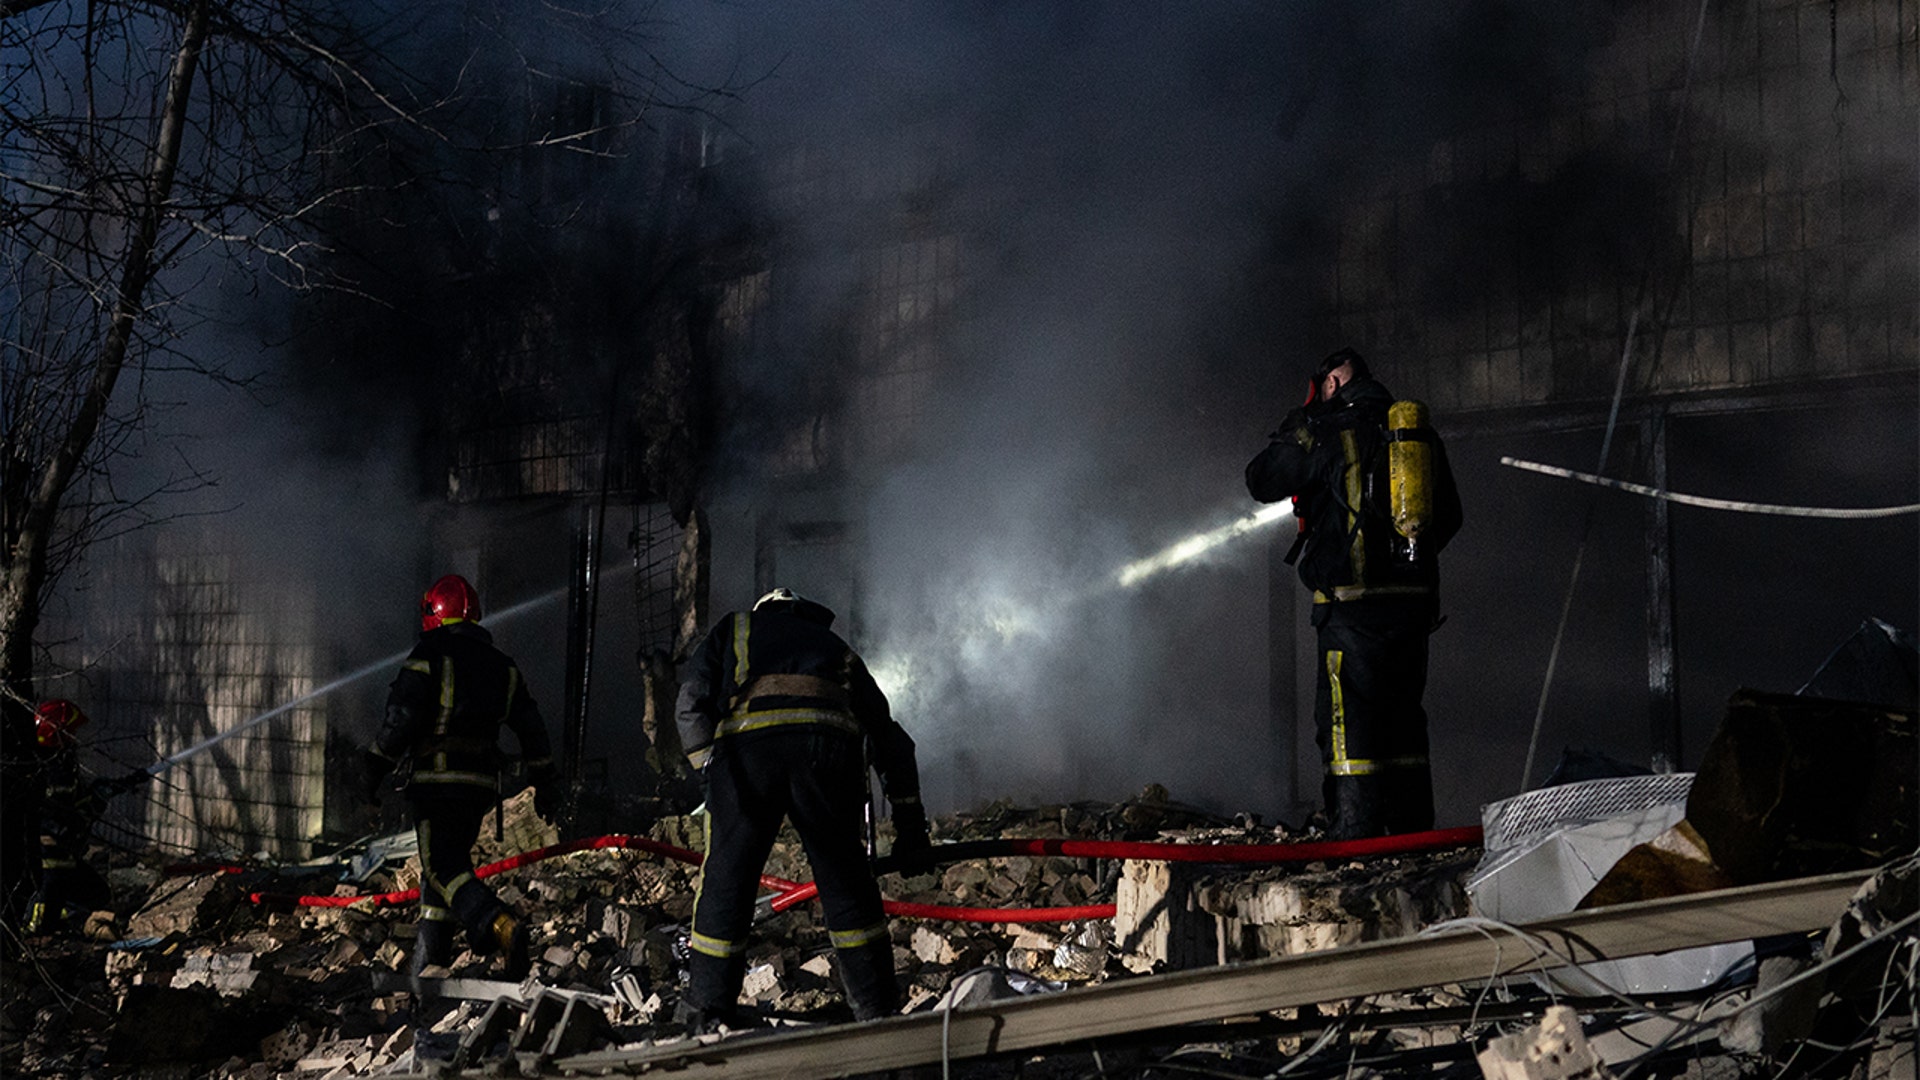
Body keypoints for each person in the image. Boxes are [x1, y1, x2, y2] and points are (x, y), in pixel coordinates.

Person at [674, 587, 928, 1029]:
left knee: (727, 881)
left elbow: (689, 703)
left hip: (749, 753)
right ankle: (875, 1009)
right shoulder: (835, 647)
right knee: (846, 881)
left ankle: (708, 1010)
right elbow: (891, 741)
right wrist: (910, 827)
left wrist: (709, 770)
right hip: (828, 754)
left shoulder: (735, 628)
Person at [1246, 348, 1462, 840]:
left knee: (1348, 725)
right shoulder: (1413, 434)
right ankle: (1411, 835)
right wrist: (1404, 564)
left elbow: (1260, 480)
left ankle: (1356, 835)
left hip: (1349, 607)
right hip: (1410, 610)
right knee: (1403, 720)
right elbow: (1448, 516)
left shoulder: (1326, 429)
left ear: (1333, 382)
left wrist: (1295, 428)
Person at [364, 574, 561, 981]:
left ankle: (497, 923)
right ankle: (426, 974)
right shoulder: (503, 667)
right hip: (480, 789)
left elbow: (398, 722)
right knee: (441, 881)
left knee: (441, 867)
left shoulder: (429, 655)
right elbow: (532, 728)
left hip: (437, 785)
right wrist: (546, 782)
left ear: (434, 613)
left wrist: (371, 771)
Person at [23, 700, 139, 934]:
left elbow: (74, 802)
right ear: (54, 732)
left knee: (98, 894)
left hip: (64, 856)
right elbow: (67, 818)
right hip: (48, 858)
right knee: (39, 923)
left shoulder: (60, 764)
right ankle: (47, 916)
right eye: (70, 731)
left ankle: (63, 914)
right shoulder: (47, 770)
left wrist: (103, 788)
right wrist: (96, 801)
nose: (74, 737)